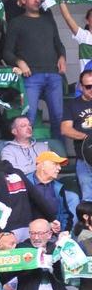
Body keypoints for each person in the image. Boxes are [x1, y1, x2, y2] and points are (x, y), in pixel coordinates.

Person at [4, 0, 66, 139]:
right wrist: (19, 62)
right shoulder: (16, 22)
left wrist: (62, 57)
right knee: (28, 119)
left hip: (53, 75)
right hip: (30, 77)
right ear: (23, 0)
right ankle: (27, 155)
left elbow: (58, 44)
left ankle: (59, 157)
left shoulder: (48, 19)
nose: (37, 0)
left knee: (58, 118)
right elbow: (6, 53)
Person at [61, 69, 92, 203]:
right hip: (84, 158)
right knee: (88, 199)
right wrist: (88, 138)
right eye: (88, 87)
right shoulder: (72, 104)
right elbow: (65, 129)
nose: (91, 89)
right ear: (80, 86)